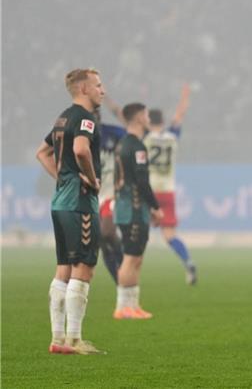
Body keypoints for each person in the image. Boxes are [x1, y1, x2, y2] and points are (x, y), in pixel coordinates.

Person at [35, 68, 106, 354]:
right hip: (79, 203)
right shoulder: (85, 119)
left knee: (63, 268)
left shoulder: (62, 117)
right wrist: (90, 178)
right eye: (98, 85)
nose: (103, 90)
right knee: (84, 267)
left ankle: (57, 339)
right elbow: (80, 150)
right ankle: (75, 339)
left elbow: (42, 152)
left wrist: (62, 177)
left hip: (60, 201)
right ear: (84, 89)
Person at [113, 103, 164, 320]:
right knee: (130, 257)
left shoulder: (123, 144)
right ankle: (122, 306)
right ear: (136, 119)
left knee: (137, 257)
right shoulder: (136, 147)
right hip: (132, 209)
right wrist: (156, 206)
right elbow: (142, 182)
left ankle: (133, 305)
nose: (148, 117)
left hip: (133, 208)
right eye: (145, 114)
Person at [142, 85, 197, 284]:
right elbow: (180, 114)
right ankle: (188, 261)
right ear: (163, 122)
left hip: (148, 192)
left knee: (136, 231)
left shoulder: (145, 138)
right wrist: (185, 96)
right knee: (170, 235)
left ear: (148, 121)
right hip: (168, 192)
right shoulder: (172, 137)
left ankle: (127, 269)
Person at [97, 111, 126, 283]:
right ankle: (119, 281)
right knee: (100, 241)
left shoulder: (113, 133)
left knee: (107, 232)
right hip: (91, 196)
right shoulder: (76, 137)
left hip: (110, 193)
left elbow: (131, 137)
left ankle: (124, 264)